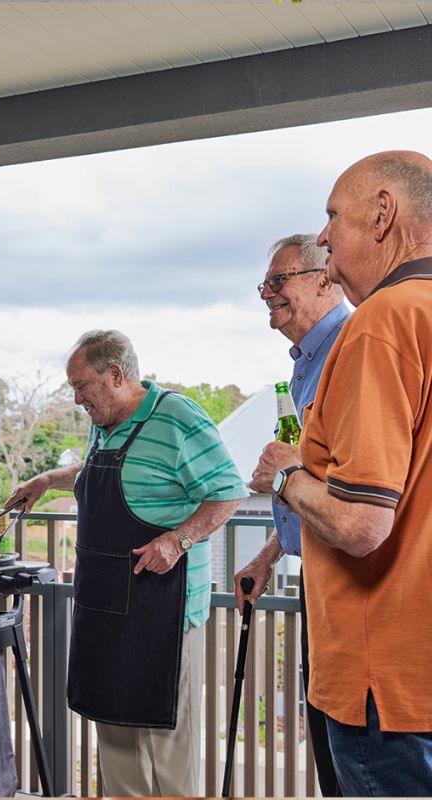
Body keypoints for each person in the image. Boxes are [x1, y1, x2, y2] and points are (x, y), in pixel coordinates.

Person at [250, 151, 432, 796]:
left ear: (384, 214)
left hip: (382, 679)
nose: (325, 237)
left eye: (334, 216)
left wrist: (285, 476)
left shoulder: (382, 321)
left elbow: (359, 524)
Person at [6, 330, 248, 796]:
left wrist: (177, 541)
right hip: (102, 611)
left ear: (115, 375)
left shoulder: (177, 416)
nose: (77, 399)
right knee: (115, 747)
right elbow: (103, 468)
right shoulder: (105, 422)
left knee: (168, 756)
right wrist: (49, 479)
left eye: (82, 386)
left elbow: (228, 491)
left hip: (165, 613)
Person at [235, 233, 348, 796]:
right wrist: (270, 552)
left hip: (353, 576)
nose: (268, 294)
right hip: (317, 573)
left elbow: (352, 473)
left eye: (280, 281)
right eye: (265, 284)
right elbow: (311, 473)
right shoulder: (307, 361)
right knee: (326, 731)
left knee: (353, 748)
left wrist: (285, 470)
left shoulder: (351, 346)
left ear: (324, 278)